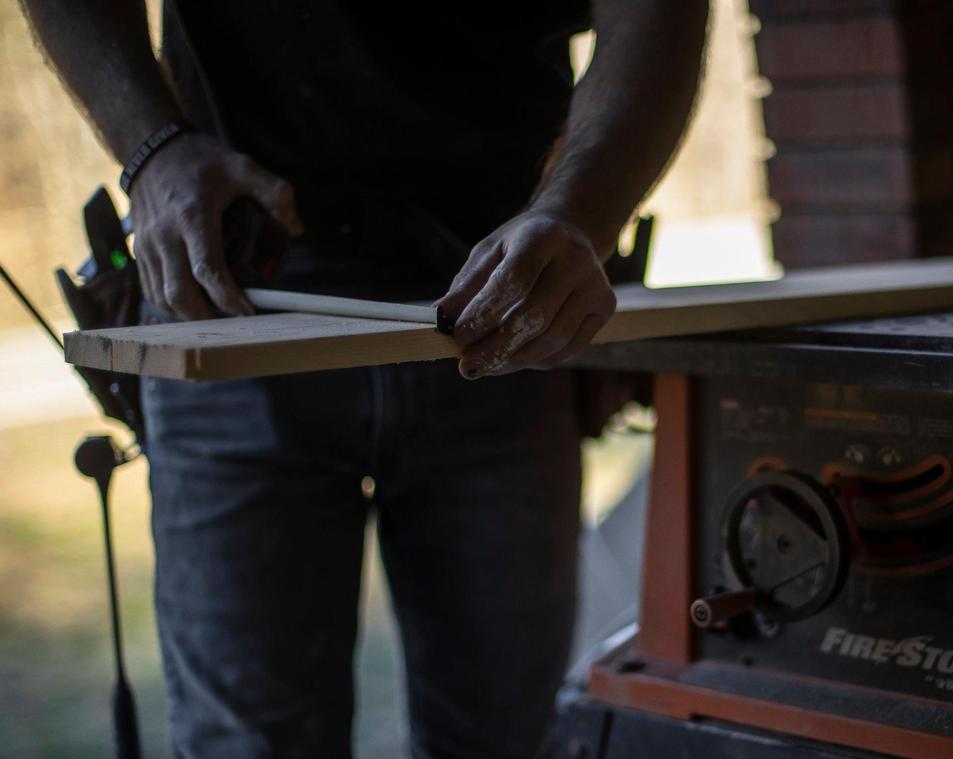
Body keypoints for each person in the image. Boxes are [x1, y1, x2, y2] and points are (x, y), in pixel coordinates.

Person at [21, 1, 708, 756]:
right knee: (247, 742)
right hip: (229, 293)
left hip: (503, 295)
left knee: (506, 737)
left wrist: (581, 212)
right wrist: (153, 151)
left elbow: (659, 17)